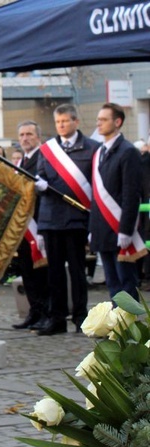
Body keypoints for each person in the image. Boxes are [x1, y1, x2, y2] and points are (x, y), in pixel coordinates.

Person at [34, 104, 98, 335]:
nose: (61, 125)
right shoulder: (48, 149)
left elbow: (94, 184)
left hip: (76, 220)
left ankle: (81, 317)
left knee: (78, 271)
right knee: (55, 273)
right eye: (58, 122)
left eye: (65, 121)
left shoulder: (92, 148)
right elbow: (40, 178)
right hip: (51, 219)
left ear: (75, 122)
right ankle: (57, 317)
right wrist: (39, 186)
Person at [90, 102, 144, 301]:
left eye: (104, 120)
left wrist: (126, 229)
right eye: (98, 120)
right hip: (102, 229)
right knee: (112, 283)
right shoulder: (99, 152)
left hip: (119, 228)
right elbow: (95, 196)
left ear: (117, 122)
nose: (99, 124)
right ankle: (117, 325)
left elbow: (131, 194)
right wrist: (92, 228)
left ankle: (129, 328)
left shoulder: (128, 151)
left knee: (126, 282)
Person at [10, 120, 50, 331]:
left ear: (38, 137)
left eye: (29, 134)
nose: (25, 138)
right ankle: (33, 311)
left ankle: (46, 312)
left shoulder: (44, 158)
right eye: (22, 135)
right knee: (27, 271)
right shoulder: (20, 163)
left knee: (41, 272)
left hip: (39, 223)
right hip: (23, 227)